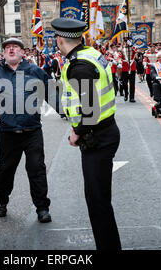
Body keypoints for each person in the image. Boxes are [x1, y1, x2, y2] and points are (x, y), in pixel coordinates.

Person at [0, 37, 59, 223]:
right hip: (8, 132)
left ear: (22, 52)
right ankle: (1, 203)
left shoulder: (35, 71)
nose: (11, 50)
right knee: (5, 170)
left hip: (32, 131)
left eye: (15, 48)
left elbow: (51, 94)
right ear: (3, 53)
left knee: (37, 170)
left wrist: (69, 115)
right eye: (7, 48)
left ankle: (42, 208)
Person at [51, 17, 121, 250]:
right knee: (100, 199)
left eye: (56, 39)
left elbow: (90, 107)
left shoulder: (78, 65)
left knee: (98, 202)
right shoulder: (91, 53)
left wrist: (76, 132)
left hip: (97, 137)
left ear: (60, 39)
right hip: (106, 130)